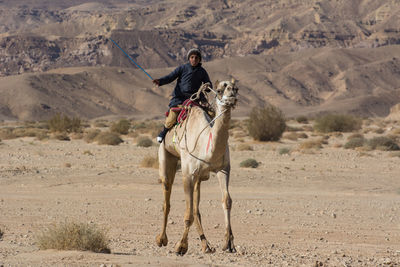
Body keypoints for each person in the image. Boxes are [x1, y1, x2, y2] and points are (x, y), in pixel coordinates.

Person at [153, 48, 212, 143]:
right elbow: (170, 77)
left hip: (196, 99)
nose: (194, 59)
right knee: (172, 117)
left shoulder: (202, 71)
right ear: (189, 58)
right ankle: (163, 132)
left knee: (211, 114)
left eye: (196, 57)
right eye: (192, 57)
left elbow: (208, 84)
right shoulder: (182, 68)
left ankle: (211, 134)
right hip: (180, 98)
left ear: (199, 60)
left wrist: (207, 87)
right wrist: (160, 81)